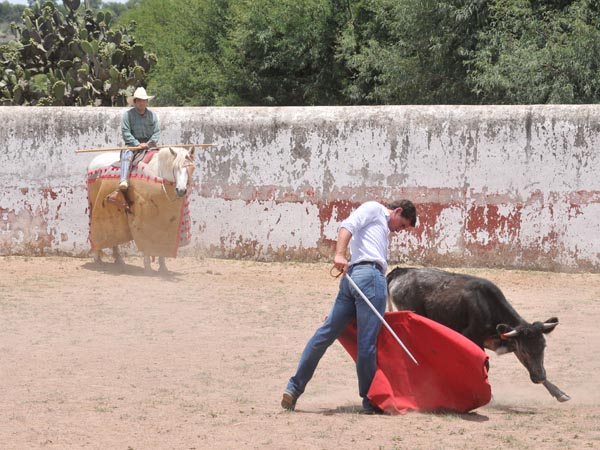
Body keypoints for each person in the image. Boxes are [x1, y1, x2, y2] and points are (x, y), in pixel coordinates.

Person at [281, 199, 417, 414]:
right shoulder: (375, 209)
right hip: (370, 277)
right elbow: (347, 225)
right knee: (367, 343)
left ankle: (294, 388)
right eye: (402, 225)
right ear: (398, 211)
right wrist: (339, 254)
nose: (399, 231)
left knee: (324, 335)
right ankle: (370, 401)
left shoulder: (379, 224)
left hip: (352, 278)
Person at [119, 87, 161, 191]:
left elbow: (156, 132)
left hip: (150, 146)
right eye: (139, 100)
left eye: (144, 100)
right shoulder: (128, 115)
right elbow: (126, 132)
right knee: (127, 153)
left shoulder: (153, 116)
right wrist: (137, 144)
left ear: (147, 102)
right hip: (132, 145)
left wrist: (148, 144)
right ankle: (123, 180)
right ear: (135, 102)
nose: (141, 103)